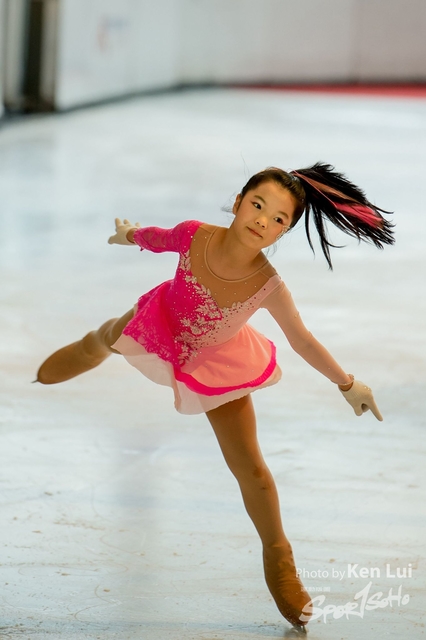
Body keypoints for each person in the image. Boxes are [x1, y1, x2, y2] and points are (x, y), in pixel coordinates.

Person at [36, 163, 394, 628]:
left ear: (284, 231)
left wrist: (347, 383)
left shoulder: (268, 284)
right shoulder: (195, 235)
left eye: (278, 218)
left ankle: (279, 556)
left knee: (251, 468)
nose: (263, 220)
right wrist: (129, 235)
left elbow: (302, 340)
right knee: (111, 336)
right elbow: (157, 238)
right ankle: (91, 347)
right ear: (240, 201)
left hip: (217, 361)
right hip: (161, 321)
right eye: (258, 205)